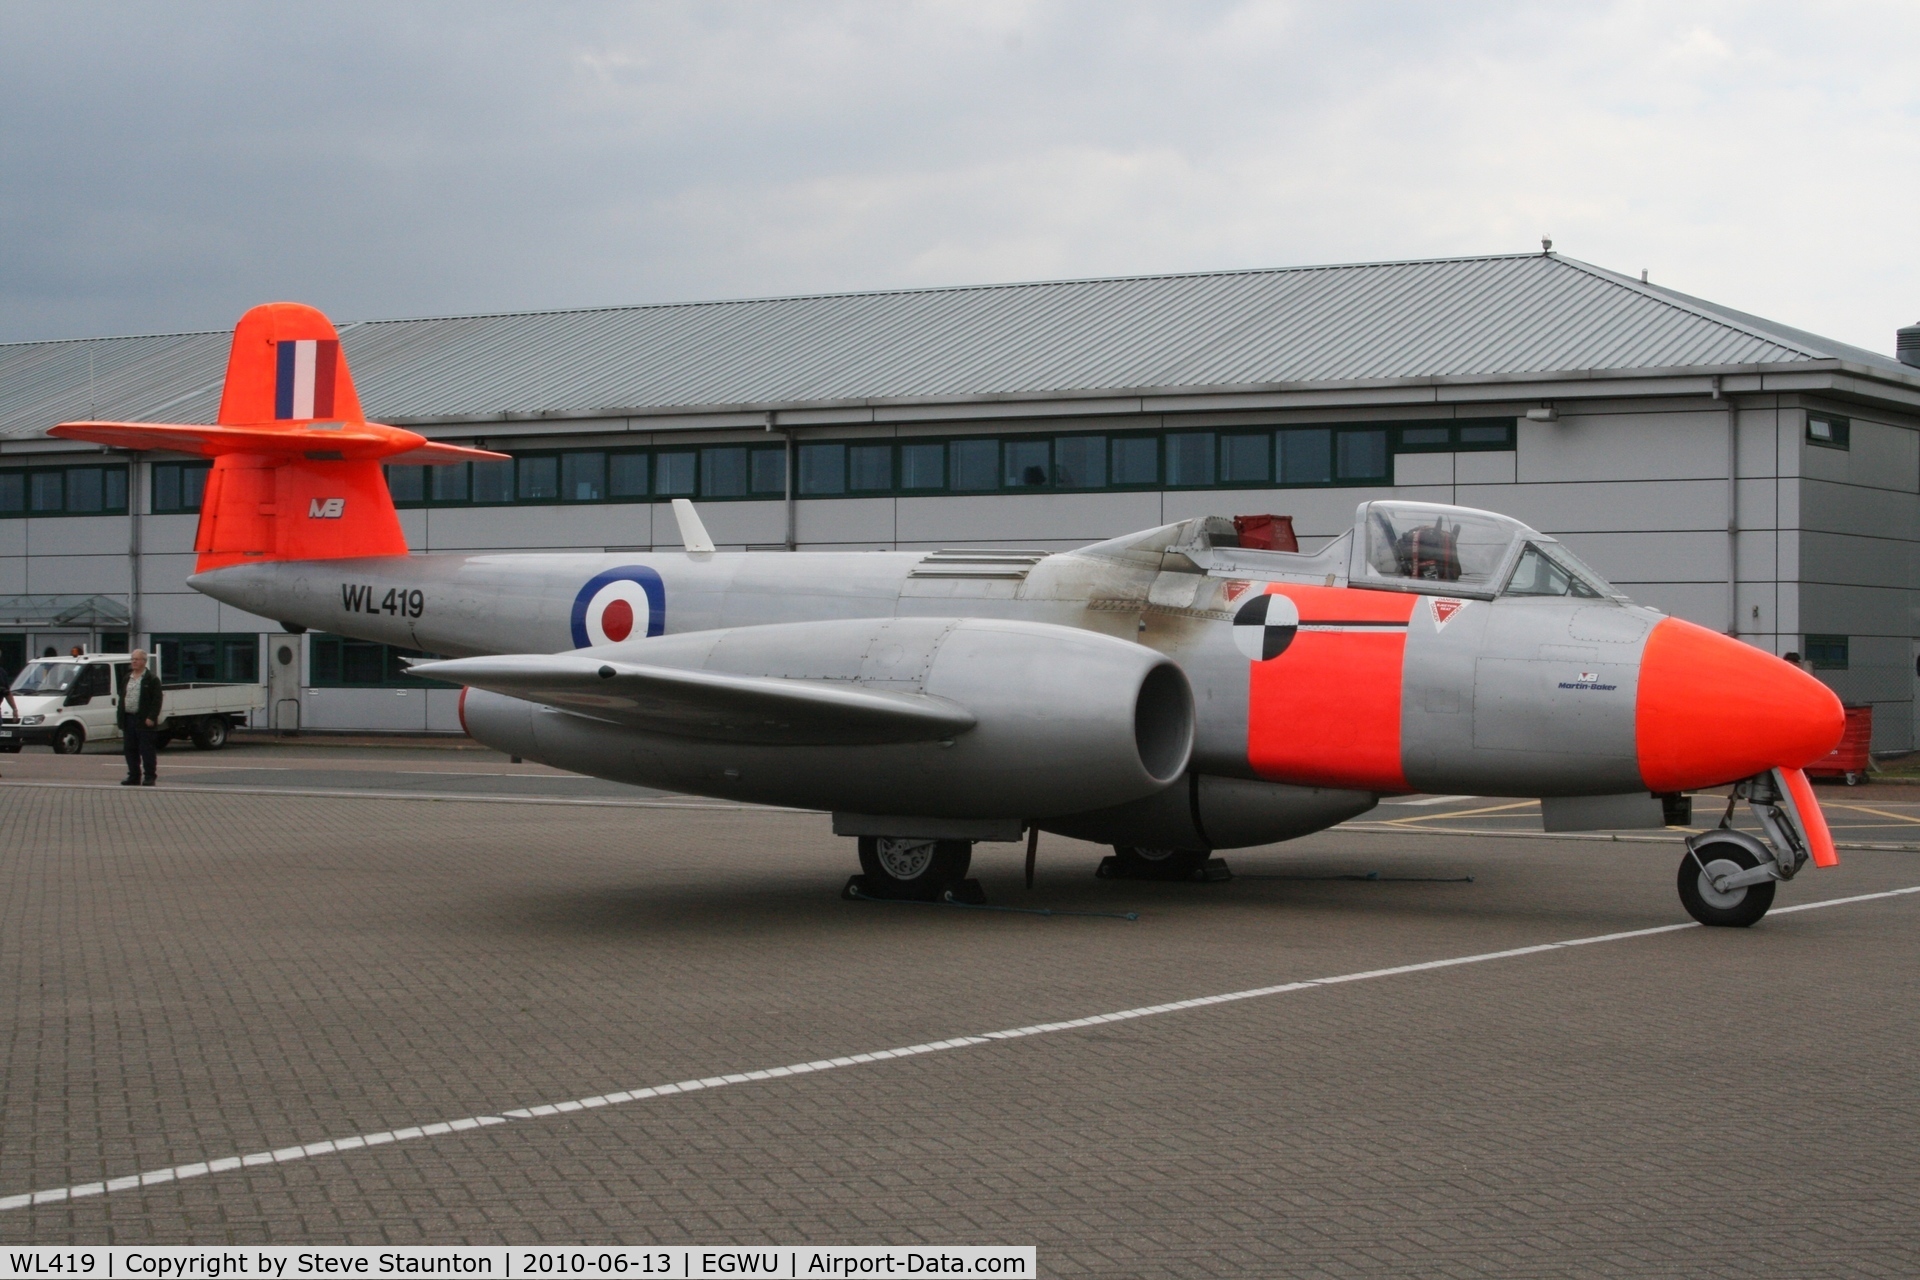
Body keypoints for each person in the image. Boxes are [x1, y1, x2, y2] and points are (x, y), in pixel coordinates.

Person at [120, 648, 163, 787]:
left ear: (144, 661)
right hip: (129, 719)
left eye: (136, 659)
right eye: (132, 659)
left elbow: (157, 700)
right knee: (130, 749)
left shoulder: (152, 679)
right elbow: (122, 697)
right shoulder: (127, 677)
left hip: (144, 720)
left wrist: (151, 717)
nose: (133, 661)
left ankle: (149, 777)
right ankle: (133, 776)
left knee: (147, 750)